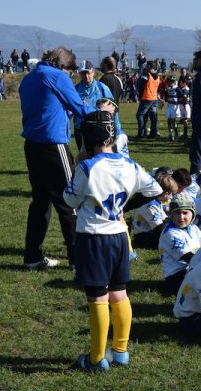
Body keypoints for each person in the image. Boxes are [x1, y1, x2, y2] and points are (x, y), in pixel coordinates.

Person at [63, 111, 163, 371]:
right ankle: (120, 352)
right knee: (119, 294)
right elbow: (156, 190)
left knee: (97, 298)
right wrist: (123, 206)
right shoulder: (131, 165)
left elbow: (70, 200)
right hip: (120, 236)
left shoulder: (87, 167)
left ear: (86, 138)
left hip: (94, 236)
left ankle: (96, 359)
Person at [18, 47, 114, 270]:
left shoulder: (30, 77)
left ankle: (32, 256)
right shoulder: (57, 76)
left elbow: (48, 108)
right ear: (63, 66)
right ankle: (77, 259)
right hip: (53, 145)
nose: (71, 76)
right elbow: (79, 107)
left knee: (40, 202)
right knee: (70, 199)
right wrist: (103, 113)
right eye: (71, 71)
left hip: (32, 145)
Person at [159, 194, 201, 295]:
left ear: (193, 214)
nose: (181, 217)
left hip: (191, 269)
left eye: (185, 213)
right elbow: (189, 258)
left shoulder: (193, 228)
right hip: (177, 277)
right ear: (171, 214)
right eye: (177, 213)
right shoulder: (170, 233)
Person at [74, 60, 116, 150]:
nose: (86, 76)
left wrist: (118, 129)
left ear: (93, 72)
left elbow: (113, 109)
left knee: (99, 157)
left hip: (100, 129)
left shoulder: (102, 88)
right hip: (81, 130)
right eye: (83, 73)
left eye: (88, 73)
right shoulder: (75, 90)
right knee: (83, 158)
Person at [131, 168, 178, 249]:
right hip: (144, 237)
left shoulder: (155, 201)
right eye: (171, 194)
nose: (171, 197)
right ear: (166, 194)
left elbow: (164, 218)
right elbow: (160, 227)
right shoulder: (150, 205)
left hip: (149, 232)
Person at [135, 61, 160, 138]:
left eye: (146, 66)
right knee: (153, 117)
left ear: (149, 67)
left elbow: (138, 85)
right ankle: (154, 133)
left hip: (147, 97)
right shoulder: (157, 76)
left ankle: (141, 133)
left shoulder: (146, 75)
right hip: (154, 98)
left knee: (139, 115)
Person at [164, 75, 181, 140]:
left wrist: (177, 102)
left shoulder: (176, 88)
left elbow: (182, 96)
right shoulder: (168, 88)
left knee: (173, 121)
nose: (167, 83)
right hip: (169, 105)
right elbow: (166, 98)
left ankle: (176, 134)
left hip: (174, 107)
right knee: (168, 120)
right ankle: (170, 134)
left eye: (168, 82)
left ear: (172, 82)